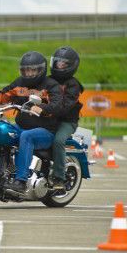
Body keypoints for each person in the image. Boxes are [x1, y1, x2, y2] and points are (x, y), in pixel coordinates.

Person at [0, 51, 63, 193]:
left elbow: (58, 105)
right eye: (26, 70)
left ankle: (21, 181)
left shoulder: (51, 85)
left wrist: (41, 108)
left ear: (41, 69)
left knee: (27, 136)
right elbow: (2, 95)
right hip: (21, 126)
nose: (28, 74)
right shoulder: (19, 83)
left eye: (32, 70)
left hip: (46, 131)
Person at [48, 46, 84, 189]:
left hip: (67, 121)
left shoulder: (73, 84)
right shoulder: (47, 80)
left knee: (58, 141)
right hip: (49, 118)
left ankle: (59, 178)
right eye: (57, 62)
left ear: (71, 66)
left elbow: (65, 107)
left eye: (63, 63)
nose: (59, 65)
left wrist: (46, 110)